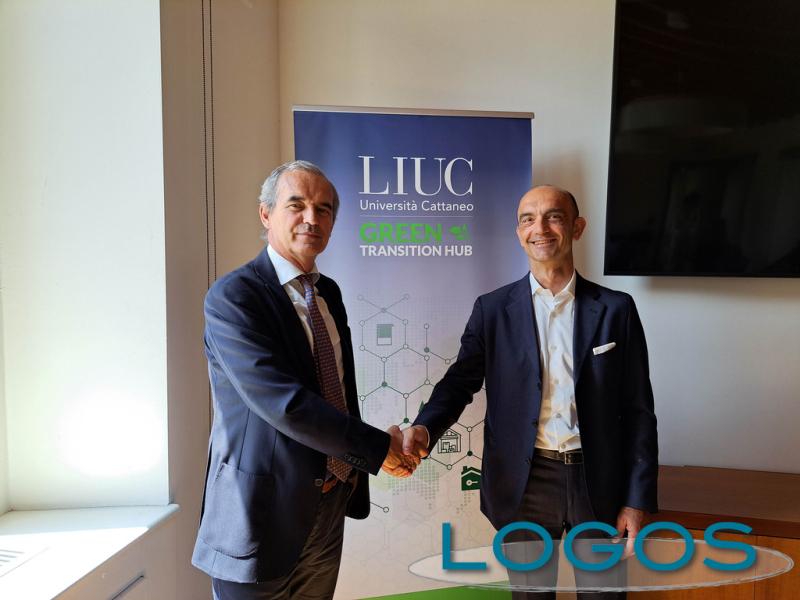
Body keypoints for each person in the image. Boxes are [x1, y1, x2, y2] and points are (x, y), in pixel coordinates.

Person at [402, 185, 658, 599]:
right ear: (519, 232)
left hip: (600, 482)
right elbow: (460, 381)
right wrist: (425, 428)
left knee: (605, 595)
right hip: (525, 484)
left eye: (554, 217)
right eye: (528, 219)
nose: (540, 228)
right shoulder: (492, 309)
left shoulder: (617, 309)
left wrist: (637, 498)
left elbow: (639, 410)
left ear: (577, 227)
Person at [192, 160, 416, 600]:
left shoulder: (328, 292)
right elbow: (286, 404)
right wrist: (377, 448)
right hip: (258, 514)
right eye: (297, 205)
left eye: (324, 209)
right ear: (266, 214)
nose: (312, 218)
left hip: (329, 502)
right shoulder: (234, 297)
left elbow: (339, 391)